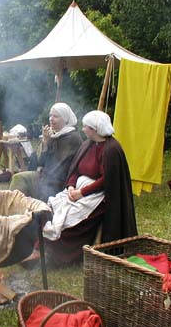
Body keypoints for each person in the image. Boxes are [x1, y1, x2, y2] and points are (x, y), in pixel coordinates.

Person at [42, 110, 137, 267]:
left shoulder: (111, 149)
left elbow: (106, 180)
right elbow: (76, 169)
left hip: (97, 196)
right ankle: (45, 248)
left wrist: (82, 192)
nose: (83, 129)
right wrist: (71, 186)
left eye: (86, 127)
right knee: (53, 208)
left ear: (95, 130)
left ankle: (61, 257)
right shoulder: (88, 144)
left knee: (70, 220)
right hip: (76, 191)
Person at [9, 103, 83, 202]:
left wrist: (44, 175)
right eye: (50, 116)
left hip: (60, 183)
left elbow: (61, 168)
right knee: (19, 178)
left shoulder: (72, 138)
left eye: (55, 116)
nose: (51, 119)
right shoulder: (54, 135)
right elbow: (40, 162)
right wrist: (45, 142)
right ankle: (14, 207)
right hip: (45, 176)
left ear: (65, 119)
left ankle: (31, 209)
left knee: (41, 187)